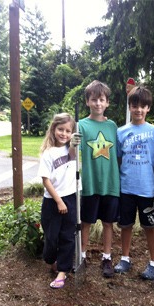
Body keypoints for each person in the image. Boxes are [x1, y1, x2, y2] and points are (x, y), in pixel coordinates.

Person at [115, 86, 154, 280]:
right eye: (135, 105)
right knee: (125, 225)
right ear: (130, 107)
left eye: (143, 106)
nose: (139, 110)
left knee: (150, 227)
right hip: (126, 188)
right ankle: (125, 258)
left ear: (148, 108)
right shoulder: (121, 132)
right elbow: (119, 159)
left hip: (147, 189)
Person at [78, 80, 120, 278]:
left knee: (108, 222)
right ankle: (82, 255)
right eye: (94, 100)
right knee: (86, 222)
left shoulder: (112, 126)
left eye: (101, 100)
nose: (98, 104)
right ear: (88, 101)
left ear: (107, 103)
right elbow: (72, 152)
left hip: (110, 184)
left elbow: (119, 155)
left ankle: (106, 257)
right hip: (90, 183)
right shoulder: (81, 126)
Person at [37, 113, 81, 289]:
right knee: (51, 237)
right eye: (61, 129)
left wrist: (75, 142)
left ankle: (63, 271)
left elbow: (72, 153)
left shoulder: (71, 149)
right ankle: (51, 259)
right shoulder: (48, 154)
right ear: (53, 129)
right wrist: (59, 202)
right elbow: (45, 180)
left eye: (68, 131)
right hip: (52, 201)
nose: (64, 133)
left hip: (71, 197)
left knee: (67, 236)